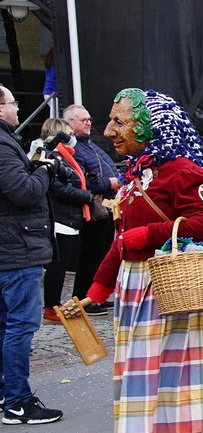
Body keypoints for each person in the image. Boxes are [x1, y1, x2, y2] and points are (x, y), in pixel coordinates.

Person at [76, 88, 203, 433]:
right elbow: (121, 240)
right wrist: (97, 289)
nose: (109, 130)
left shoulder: (183, 171)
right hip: (137, 289)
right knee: (167, 373)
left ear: (153, 126)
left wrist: (148, 233)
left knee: (160, 377)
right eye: (111, 120)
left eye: (120, 122)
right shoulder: (138, 174)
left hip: (167, 286)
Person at [0, 85, 64, 425]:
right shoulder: (2, 145)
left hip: (12, 247)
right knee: (19, 326)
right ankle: (18, 402)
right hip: (16, 249)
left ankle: (7, 393)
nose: (18, 110)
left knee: (6, 325)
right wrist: (43, 169)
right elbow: (24, 192)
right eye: (13, 103)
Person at [32, 119, 92, 326]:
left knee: (62, 264)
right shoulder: (53, 156)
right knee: (57, 266)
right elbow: (58, 188)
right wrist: (87, 196)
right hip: (60, 218)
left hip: (68, 217)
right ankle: (50, 307)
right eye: (68, 133)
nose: (73, 138)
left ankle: (53, 304)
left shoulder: (66, 158)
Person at [65, 103, 121, 313]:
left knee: (103, 253)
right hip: (93, 207)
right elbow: (80, 181)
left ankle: (95, 296)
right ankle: (83, 296)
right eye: (83, 120)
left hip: (105, 206)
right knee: (91, 253)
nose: (89, 123)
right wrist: (110, 183)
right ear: (71, 123)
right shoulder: (74, 149)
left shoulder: (90, 145)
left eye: (89, 119)